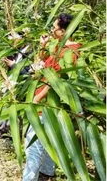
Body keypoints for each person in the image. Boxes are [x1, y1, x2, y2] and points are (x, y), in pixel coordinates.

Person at [23, 13, 81, 181]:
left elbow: (57, 81)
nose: (51, 30)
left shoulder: (69, 52)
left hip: (47, 104)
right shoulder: (58, 47)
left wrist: (37, 98)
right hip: (45, 102)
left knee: (34, 144)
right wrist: (43, 45)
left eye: (54, 28)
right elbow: (41, 63)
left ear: (63, 31)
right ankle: (47, 172)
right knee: (47, 139)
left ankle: (29, 178)